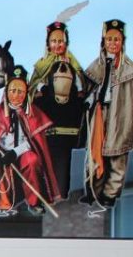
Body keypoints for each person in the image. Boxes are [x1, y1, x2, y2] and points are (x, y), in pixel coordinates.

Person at [0, 65, 61, 215]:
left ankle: (34, 202)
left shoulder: (34, 113)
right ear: (6, 92)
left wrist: (15, 152)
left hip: (22, 153)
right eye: (13, 90)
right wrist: (1, 152)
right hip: (3, 153)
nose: (16, 95)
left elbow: (33, 143)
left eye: (20, 91)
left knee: (32, 160)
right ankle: (4, 203)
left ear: (26, 93)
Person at [28, 19, 91, 200]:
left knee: (64, 165)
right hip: (46, 126)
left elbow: (81, 90)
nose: (57, 45)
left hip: (66, 126)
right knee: (44, 165)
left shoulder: (74, 65)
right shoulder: (41, 66)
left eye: (60, 40)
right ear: (48, 43)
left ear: (66, 42)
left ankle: (61, 196)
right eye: (53, 41)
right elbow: (33, 91)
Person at [82, 18, 132, 212]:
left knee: (117, 154)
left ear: (122, 42)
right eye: (109, 39)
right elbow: (88, 87)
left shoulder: (129, 69)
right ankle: (93, 190)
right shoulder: (97, 65)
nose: (112, 43)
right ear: (103, 42)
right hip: (99, 112)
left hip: (120, 114)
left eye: (116, 39)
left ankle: (110, 195)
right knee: (95, 152)